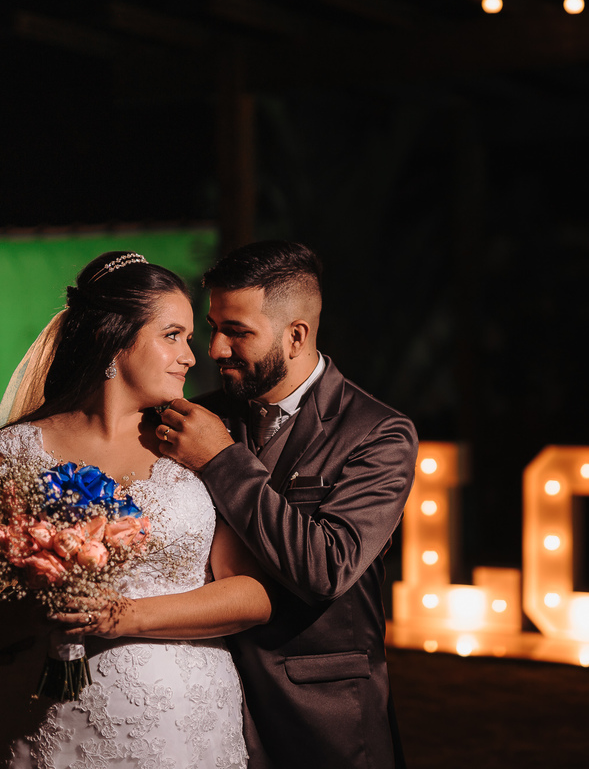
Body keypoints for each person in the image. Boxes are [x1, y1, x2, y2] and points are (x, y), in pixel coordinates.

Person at [0, 251, 272, 768]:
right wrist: (40, 609)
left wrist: (122, 616)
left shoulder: (194, 444)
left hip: (183, 726)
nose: (191, 356)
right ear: (113, 337)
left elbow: (252, 596)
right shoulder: (15, 453)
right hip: (47, 724)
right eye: (172, 335)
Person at [155, 240, 418, 769]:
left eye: (237, 332)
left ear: (296, 335)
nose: (216, 349)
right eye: (214, 327)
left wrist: (222, 460)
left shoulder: (379, 434)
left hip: (322, 719)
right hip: (199, 703)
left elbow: (327, 568)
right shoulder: (196, 418)